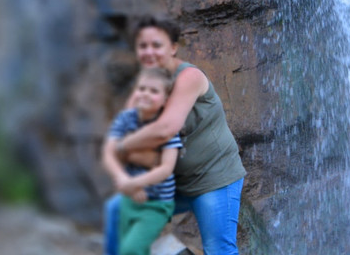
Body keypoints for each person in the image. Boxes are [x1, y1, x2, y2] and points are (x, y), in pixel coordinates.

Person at [104, 17, 246, 255]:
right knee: (119, 209)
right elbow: (127, 126)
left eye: (156, 45)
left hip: (213, 178)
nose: (149, 52)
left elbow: (165, 128)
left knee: (218, 249)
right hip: (172, 184)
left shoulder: (189, 77)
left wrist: (124, 144)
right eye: (143, 46)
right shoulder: (147, 84)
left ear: (172, 47)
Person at [101, 67, 184, 255]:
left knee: (132, 249)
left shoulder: (167, 127)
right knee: (126, 248)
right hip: (129, 198)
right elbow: (109, 152)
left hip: (156, 204)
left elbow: (166, 169)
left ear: (165, 100)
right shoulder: (126, 119)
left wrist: (133, 183)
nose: (145, 94)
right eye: (142, 88)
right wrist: (123, 180)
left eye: (154, 91)